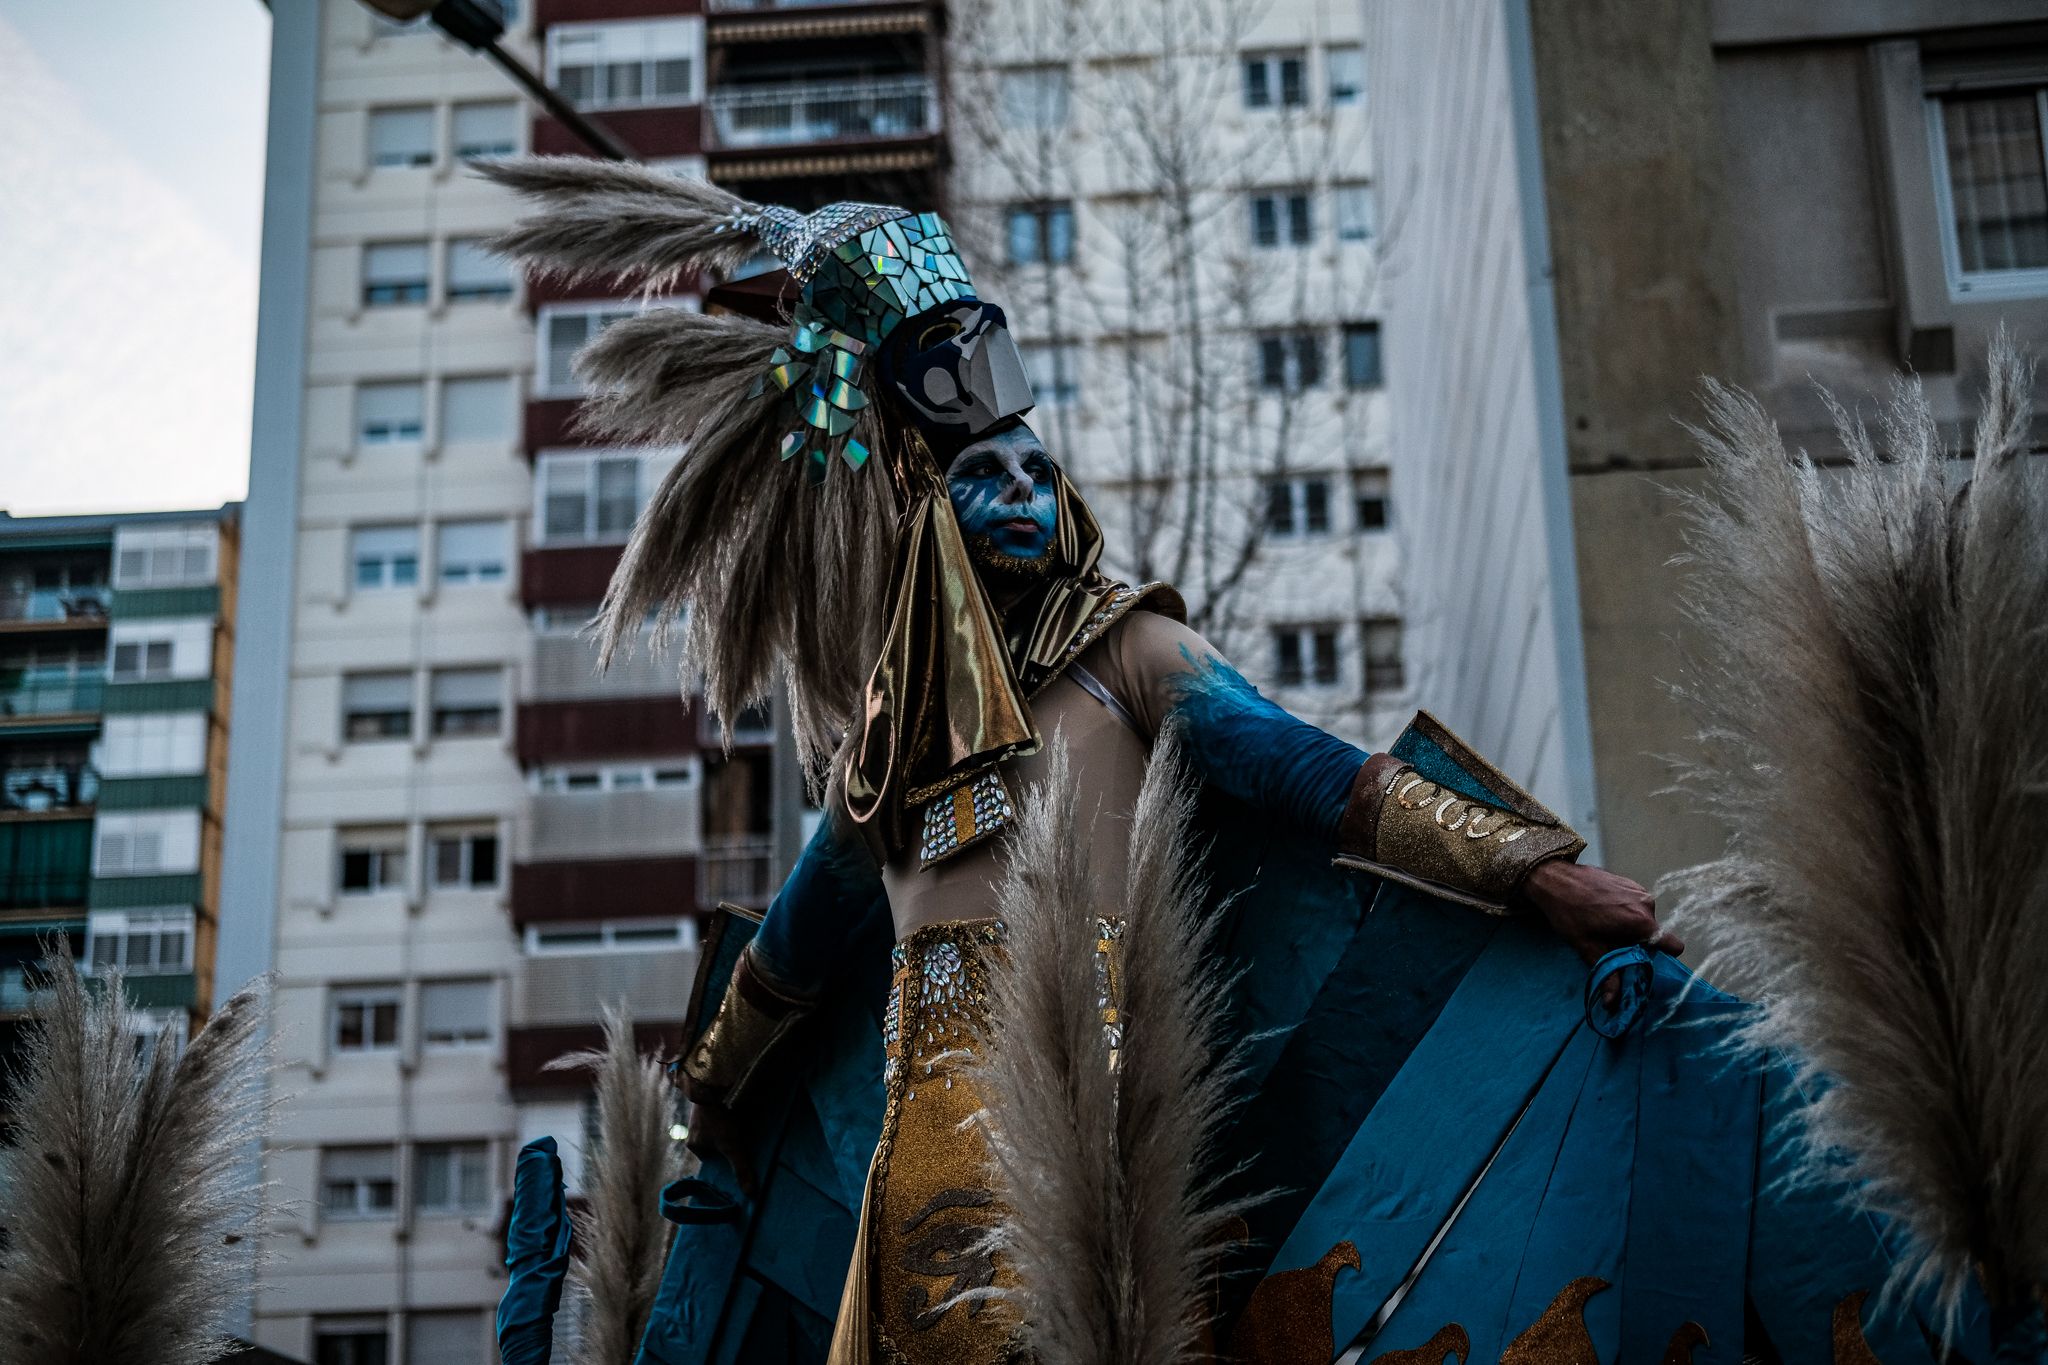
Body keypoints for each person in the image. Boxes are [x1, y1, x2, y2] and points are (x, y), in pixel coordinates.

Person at [482, 161, 1982, 1365]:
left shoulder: (1132, 653)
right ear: (934, 516)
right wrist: (711, 1110)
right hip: (921, 1154)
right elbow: (796, 960)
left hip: (1099, 1120)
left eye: (1031, 472)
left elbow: (1309, 773)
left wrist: (1528, 866)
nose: (1011, 491)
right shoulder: (888, 761)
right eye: (978, 478)